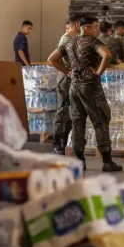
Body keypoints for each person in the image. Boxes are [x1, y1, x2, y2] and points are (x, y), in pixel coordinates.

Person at [47, 16, 123, 172]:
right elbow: (107, 55)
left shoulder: (68, 42)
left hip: (74, 86)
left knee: (77, 121)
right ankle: (107, 161)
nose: (97, 30)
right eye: (95, 27)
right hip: (90, 86)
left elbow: (52, 59)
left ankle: (80, 160)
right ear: (86, 28)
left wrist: (68, 72)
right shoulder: (92, 42)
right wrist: (98, 73)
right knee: (100, 120)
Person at [52, 14, 81, 155]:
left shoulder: (75, 39)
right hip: (65, 80)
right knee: (63, 110)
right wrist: (67, 72)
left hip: (73, 80)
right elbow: (53, 60)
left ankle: (65, 141)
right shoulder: (66, 39)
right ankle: (57, 142)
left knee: (71, 111)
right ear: (76, 25)